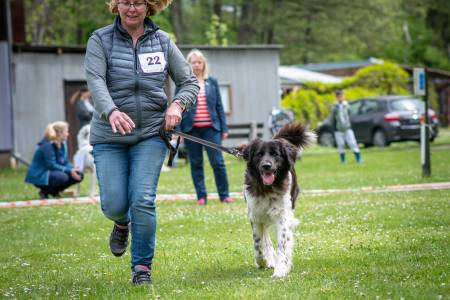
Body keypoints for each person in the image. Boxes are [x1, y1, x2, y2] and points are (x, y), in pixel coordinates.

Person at [84, 0, 199, 285]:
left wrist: (177, 106)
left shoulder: (162, 41)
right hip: (110, 135)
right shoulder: (100, 40)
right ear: (116, 5)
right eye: (125, 2)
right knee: (113, 204)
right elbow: (95, 81)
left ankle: (142, 269)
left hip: (150, 133)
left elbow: (189, 82)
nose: (131, 8)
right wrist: (111, 110)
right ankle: (121, 222)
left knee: (143, 199)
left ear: (149, 7)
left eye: (137, 2)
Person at [180, 49, 234, 205]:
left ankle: (224, 195)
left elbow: (219, 106)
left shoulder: (212, 82)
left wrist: (224, 128)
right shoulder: (184, 82)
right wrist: (179, 130)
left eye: (199, 62)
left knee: (218, 162)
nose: (196, 65)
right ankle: (201, 196)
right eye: (193, 62)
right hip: (192, 130)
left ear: (203, 64)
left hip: (212, 129)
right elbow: (179, 106)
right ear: (188, 65)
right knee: (196, 163)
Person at [25, 121, 83, 199]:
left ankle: (54, 192)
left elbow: (64, 162)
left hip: (53, 172)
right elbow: (51, 165)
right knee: (63, 177)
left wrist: (73, 169)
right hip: (41, 174)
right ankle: (44, 192)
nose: (67, 134)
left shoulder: (62, 144)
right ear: (59, 133)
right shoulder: (47, 145)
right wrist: (69, 171)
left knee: (79, 174)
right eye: (66, 131)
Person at [330, 90, 363, 163]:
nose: (340, 98)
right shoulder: (334, 107)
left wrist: (351, 125)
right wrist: (334, 129)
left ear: (344, 96)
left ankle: (358, 159)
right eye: (338, 97)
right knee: (341, 144)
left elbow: (351, 116)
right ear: (336, 97)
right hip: (338, 129)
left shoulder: (347, 106)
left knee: (352, 143)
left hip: (347, 128)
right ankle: (343, 160)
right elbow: (332, 119)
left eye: (341, 96)